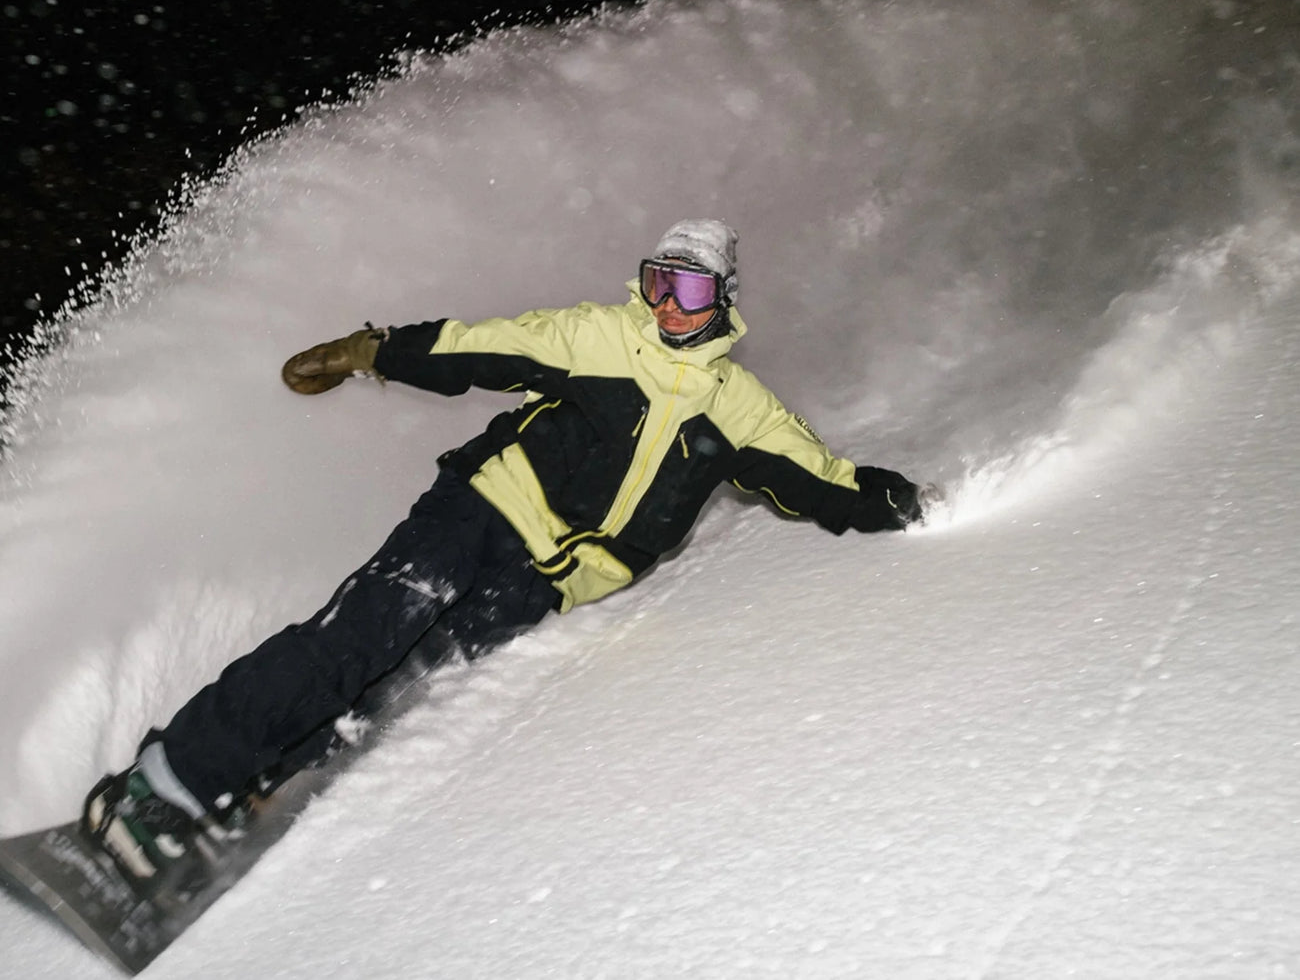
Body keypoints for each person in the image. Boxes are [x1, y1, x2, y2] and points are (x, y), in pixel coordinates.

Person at [82, 219, 926, 880]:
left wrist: (896, 504)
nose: (670, 304)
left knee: (398, 689)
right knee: (364, 636)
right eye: (658, 281)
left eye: (691, 287)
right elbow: (477, 344)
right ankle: (164, 784)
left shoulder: (740, 408)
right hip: (483, 509)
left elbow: (820, 476)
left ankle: (247, 784)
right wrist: (370, 350)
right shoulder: (597, 338)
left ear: (723, 300)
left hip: (550, 581)